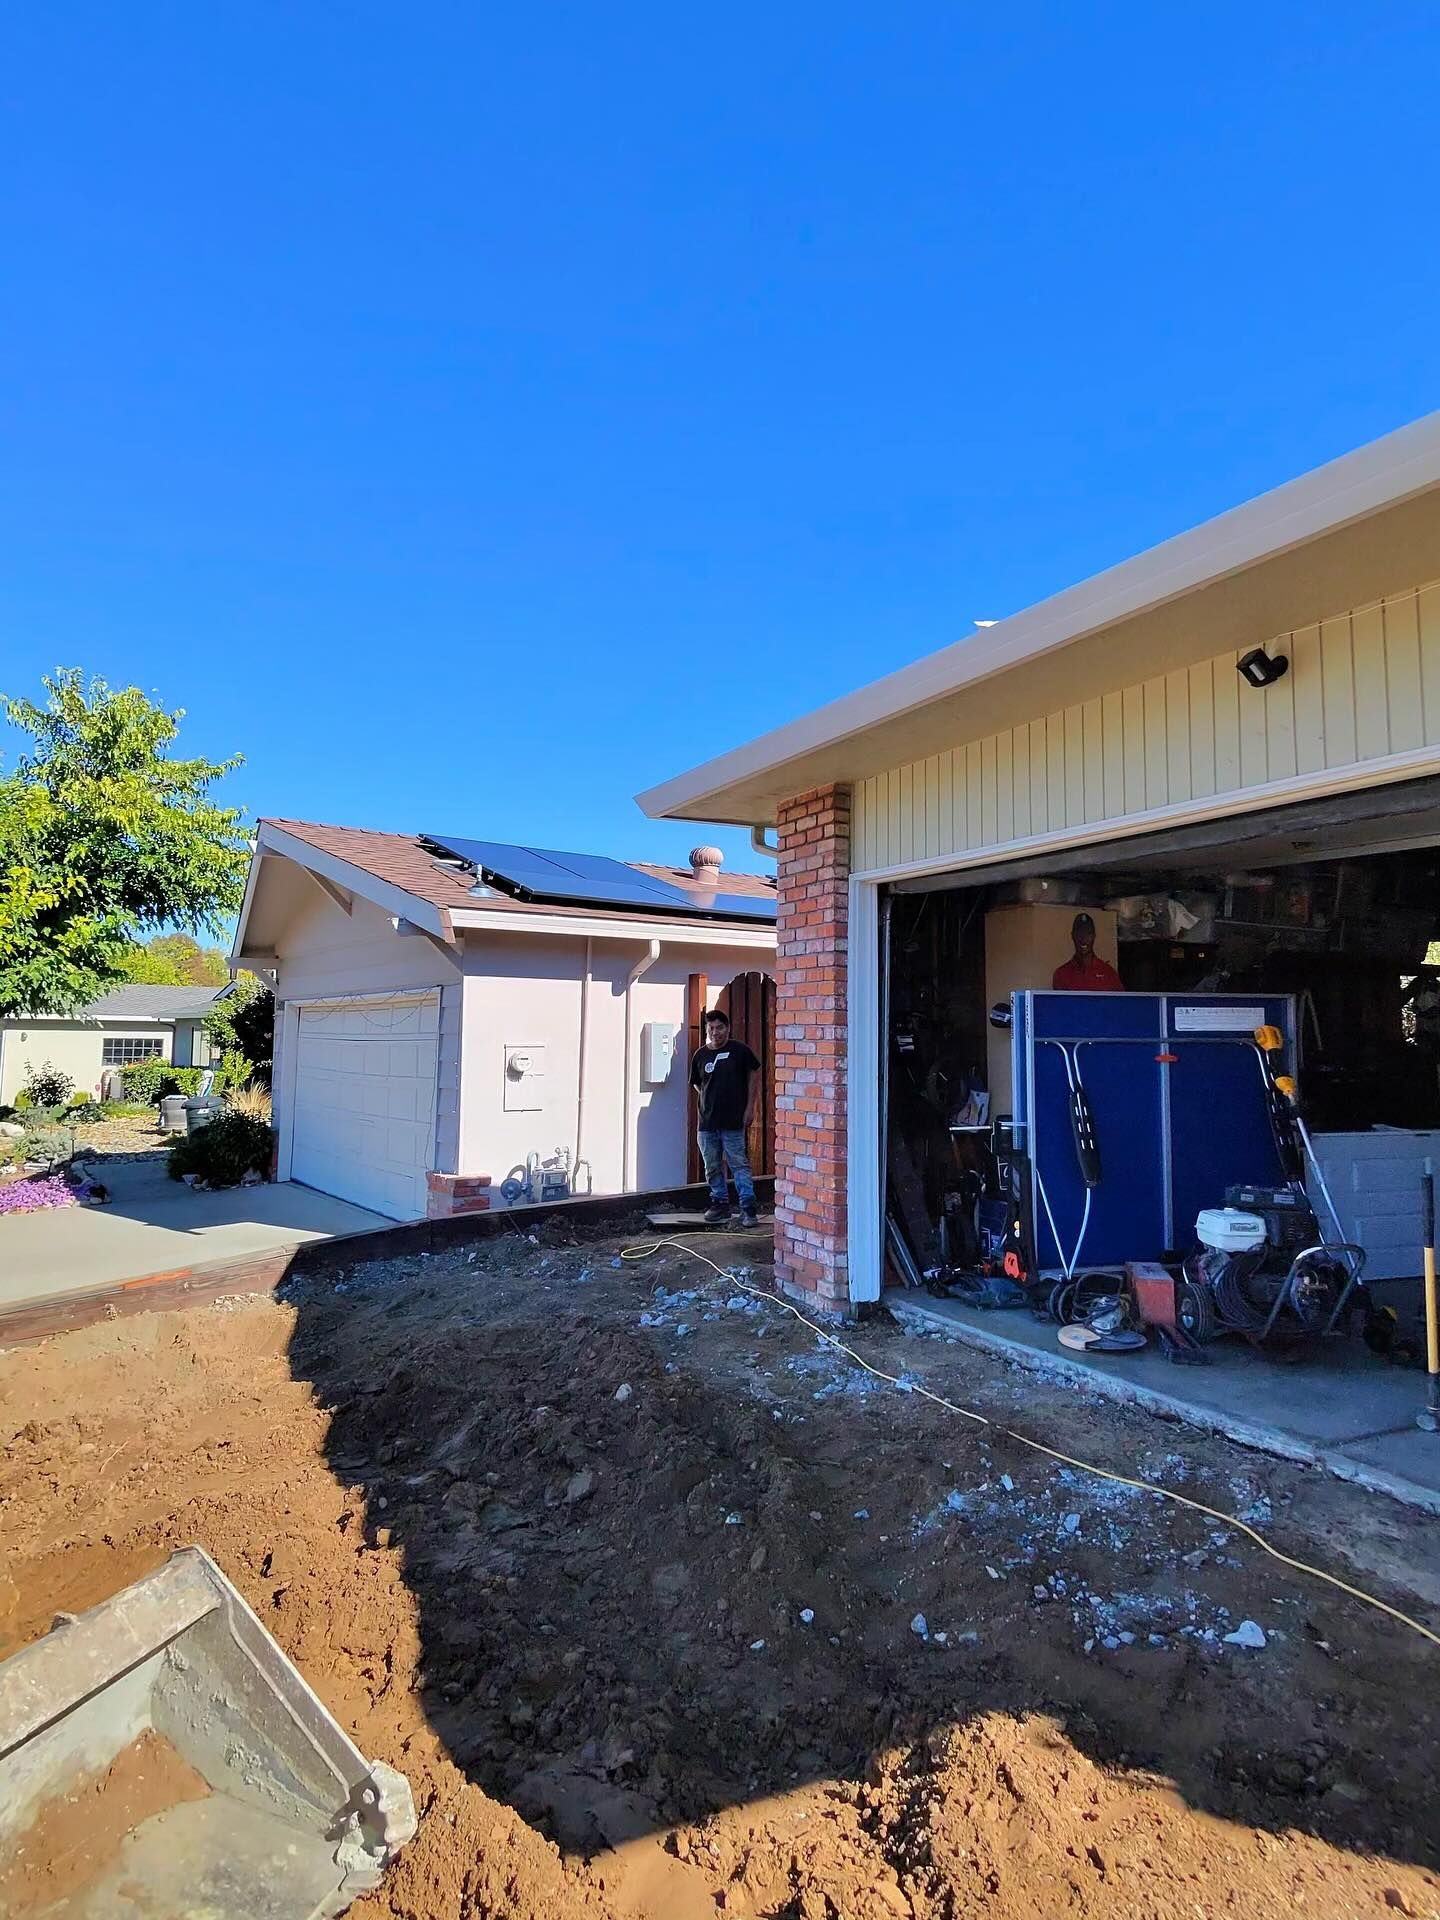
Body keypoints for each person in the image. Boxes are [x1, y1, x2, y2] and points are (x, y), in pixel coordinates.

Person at [689, 1008, 761, 1225]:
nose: (715, 1032)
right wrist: (707, 1101)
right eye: (711, 1028)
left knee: (738, 1164)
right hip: (707, 1123)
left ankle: (748, 1208)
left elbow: (754, 1075)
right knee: (711, 1165)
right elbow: (696, 1081)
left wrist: (750, 1108)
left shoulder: (739, 1051)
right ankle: (720, 1203)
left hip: (733, 1121)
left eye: (719, 1027)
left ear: (727, 1028)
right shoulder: (700, 1055)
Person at [1052, 912, 1124, 992]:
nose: (1083, 938)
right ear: (1072, 935)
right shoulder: (1061, 974)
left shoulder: (1109, 973)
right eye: (1079, 933)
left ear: (1094, 936)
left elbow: (1120, 1003)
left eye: (1088, 933)